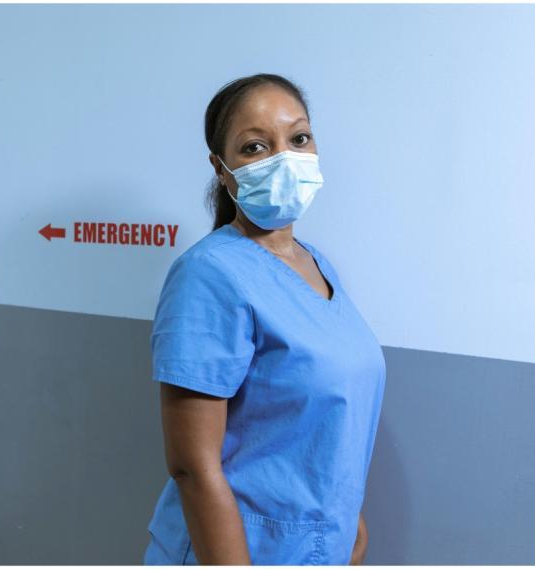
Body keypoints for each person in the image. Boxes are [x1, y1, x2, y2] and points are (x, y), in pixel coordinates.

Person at [143, 73, 386, 565]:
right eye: (255, 147)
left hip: (315, 546)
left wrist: (348, 524)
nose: (285, 159)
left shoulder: (316, 264)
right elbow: (193, 466)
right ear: (221, 167)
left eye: (298, 139)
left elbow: (324, 422)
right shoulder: (208, 275)